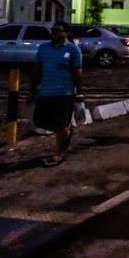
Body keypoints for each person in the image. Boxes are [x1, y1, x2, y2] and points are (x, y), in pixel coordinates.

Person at [29, 21, 83, 166]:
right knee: (39, 120)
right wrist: (32, 91)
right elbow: (37, 70)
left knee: (61, 124)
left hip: (65, 93)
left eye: (58, 30)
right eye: (52, 30)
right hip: (46, 92)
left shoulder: (73, 49)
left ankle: (58, 154)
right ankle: (65, 132)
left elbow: (78, 74)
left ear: (67, 33)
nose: (53, 33)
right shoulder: (43, 48)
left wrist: (80, 95)